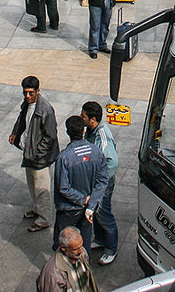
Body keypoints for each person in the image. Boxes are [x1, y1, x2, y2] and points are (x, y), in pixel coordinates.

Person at [52, 115, 110, 257]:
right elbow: (103, 180)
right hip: (87, 210)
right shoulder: (96, 152)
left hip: (68, 209)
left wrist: (82, 199)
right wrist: (90, 204)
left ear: (67, 132)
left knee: (63, 245)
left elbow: (63, 187)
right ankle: (84, 270)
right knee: (84, 246)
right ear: (84, 131)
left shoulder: (64, 157)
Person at [9, 76, 59, 234]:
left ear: (38, 91)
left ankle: (44, 218)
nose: (27, 96)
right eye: (25, 93)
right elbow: (22, 119)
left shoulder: (45, 110)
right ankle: (37, 209)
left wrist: (38, 153)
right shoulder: (27, 104)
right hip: (29, 153)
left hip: (39, 157)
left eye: (31, 93)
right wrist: (15, 133)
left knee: (42, 188)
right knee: (32, 185)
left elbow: (50, 136)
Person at [81, 101, 119, 265]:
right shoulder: (90, 130)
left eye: (83, 116)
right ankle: (100, 239)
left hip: (102, 185)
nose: (81, 118)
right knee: (95, 212)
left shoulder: (102, 136)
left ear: (93, 119)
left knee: (104, 214)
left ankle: (111, 248)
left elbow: (112, 163)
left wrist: (100, 184)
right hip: (94, 181)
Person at [36, 226, 99, 292]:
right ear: (63, 248)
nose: (81, 251)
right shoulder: (53, 274)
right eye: (76, 249)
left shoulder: (81, 253)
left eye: (81, 245)